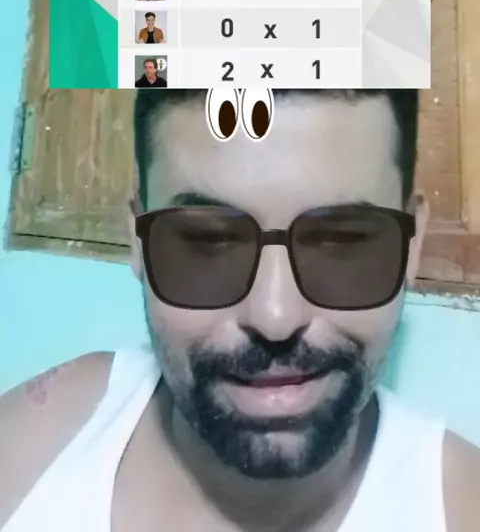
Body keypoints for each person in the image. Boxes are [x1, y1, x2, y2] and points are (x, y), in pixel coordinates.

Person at [1, 88, 479, 532]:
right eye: (207, 243)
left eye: (342, 242)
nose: (275, 317)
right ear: (139, 241)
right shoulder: (31, 447)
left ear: (412, 243)